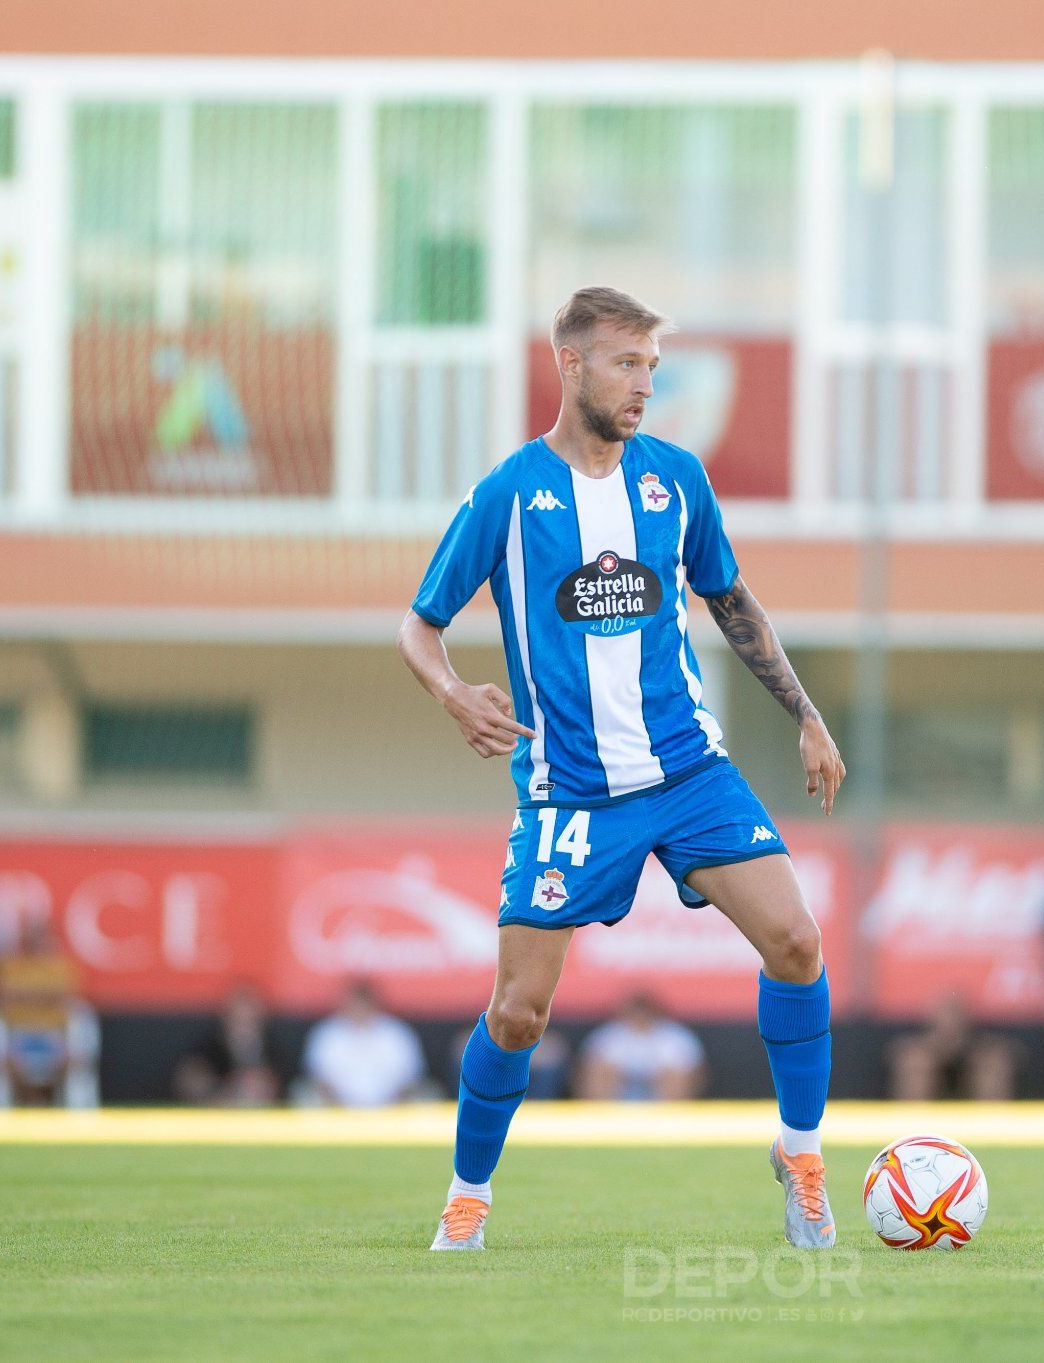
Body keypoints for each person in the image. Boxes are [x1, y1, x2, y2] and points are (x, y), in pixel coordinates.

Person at [398, 287, 845, 1252]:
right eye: (626, 364)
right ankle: (467, 1198)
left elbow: (733, 602)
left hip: (689, 773)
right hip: (572, 794)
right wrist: (450, 692)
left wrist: (807, 716)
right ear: (570, 365)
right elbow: (418, 623)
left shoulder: (677, 479)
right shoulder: (510, 493)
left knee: (799, 944)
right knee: (518, 1014)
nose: (645, 384)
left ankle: (802, 1158)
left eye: (652, 366)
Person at [0, 915, 80, 1107]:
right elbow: (2, 995)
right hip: (17, 1035)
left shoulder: (61, 968)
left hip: (53, 1036)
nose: (36, 941)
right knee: (9, 1061)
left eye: (41, 935)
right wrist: (44, 997)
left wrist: (24, 996)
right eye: (32, 936)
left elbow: (65, 997)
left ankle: (43, 1103)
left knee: (71, 1060)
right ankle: (28, 1104)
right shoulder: (10, 967)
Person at [299, 979, 431, 1108]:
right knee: (306, 1095)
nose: (358, 1008)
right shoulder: (327, 1033)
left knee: (428, 1096)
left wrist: (390, 1105)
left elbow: (410, 1077)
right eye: (354, 1003)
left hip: (392, 1108)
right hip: (337, 1108)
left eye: (362, 1003)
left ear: (374, 1003)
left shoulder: (396, 1032)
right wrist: (340, 1106)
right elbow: (318, 1077)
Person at [886, 993, 1021, 1102]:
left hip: (983, 1120)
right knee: (916, 1062)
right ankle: (914, 1126)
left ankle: (993, 1126)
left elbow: (1014, 1052)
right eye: (945, 1013)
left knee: (992, 1065)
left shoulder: (987, 1047)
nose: (950, 1021)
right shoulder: (913, 1049)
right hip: (918, 1121)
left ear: (967, 1017)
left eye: (955, 1013)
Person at [576, 993, 706, 1101]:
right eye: (636, 1010)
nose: (640, 1015)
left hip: (662, 1098)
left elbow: (695, 1075)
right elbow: (587, 1071)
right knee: (601, 1072)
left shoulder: (675, 1036)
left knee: (674, 1076)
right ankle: (603, 1121)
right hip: (617, 1096)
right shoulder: (608, 1035)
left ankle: (666, 1121)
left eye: (644, 1010)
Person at [174, 981, 284, 1107]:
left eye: (250, 1012)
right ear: (226, 1014)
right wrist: (228, 1093)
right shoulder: (206, 1051)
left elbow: (290, 1091)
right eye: (238, 1013)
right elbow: (190, 1083)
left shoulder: (275, 1054)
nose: (244, 1017)